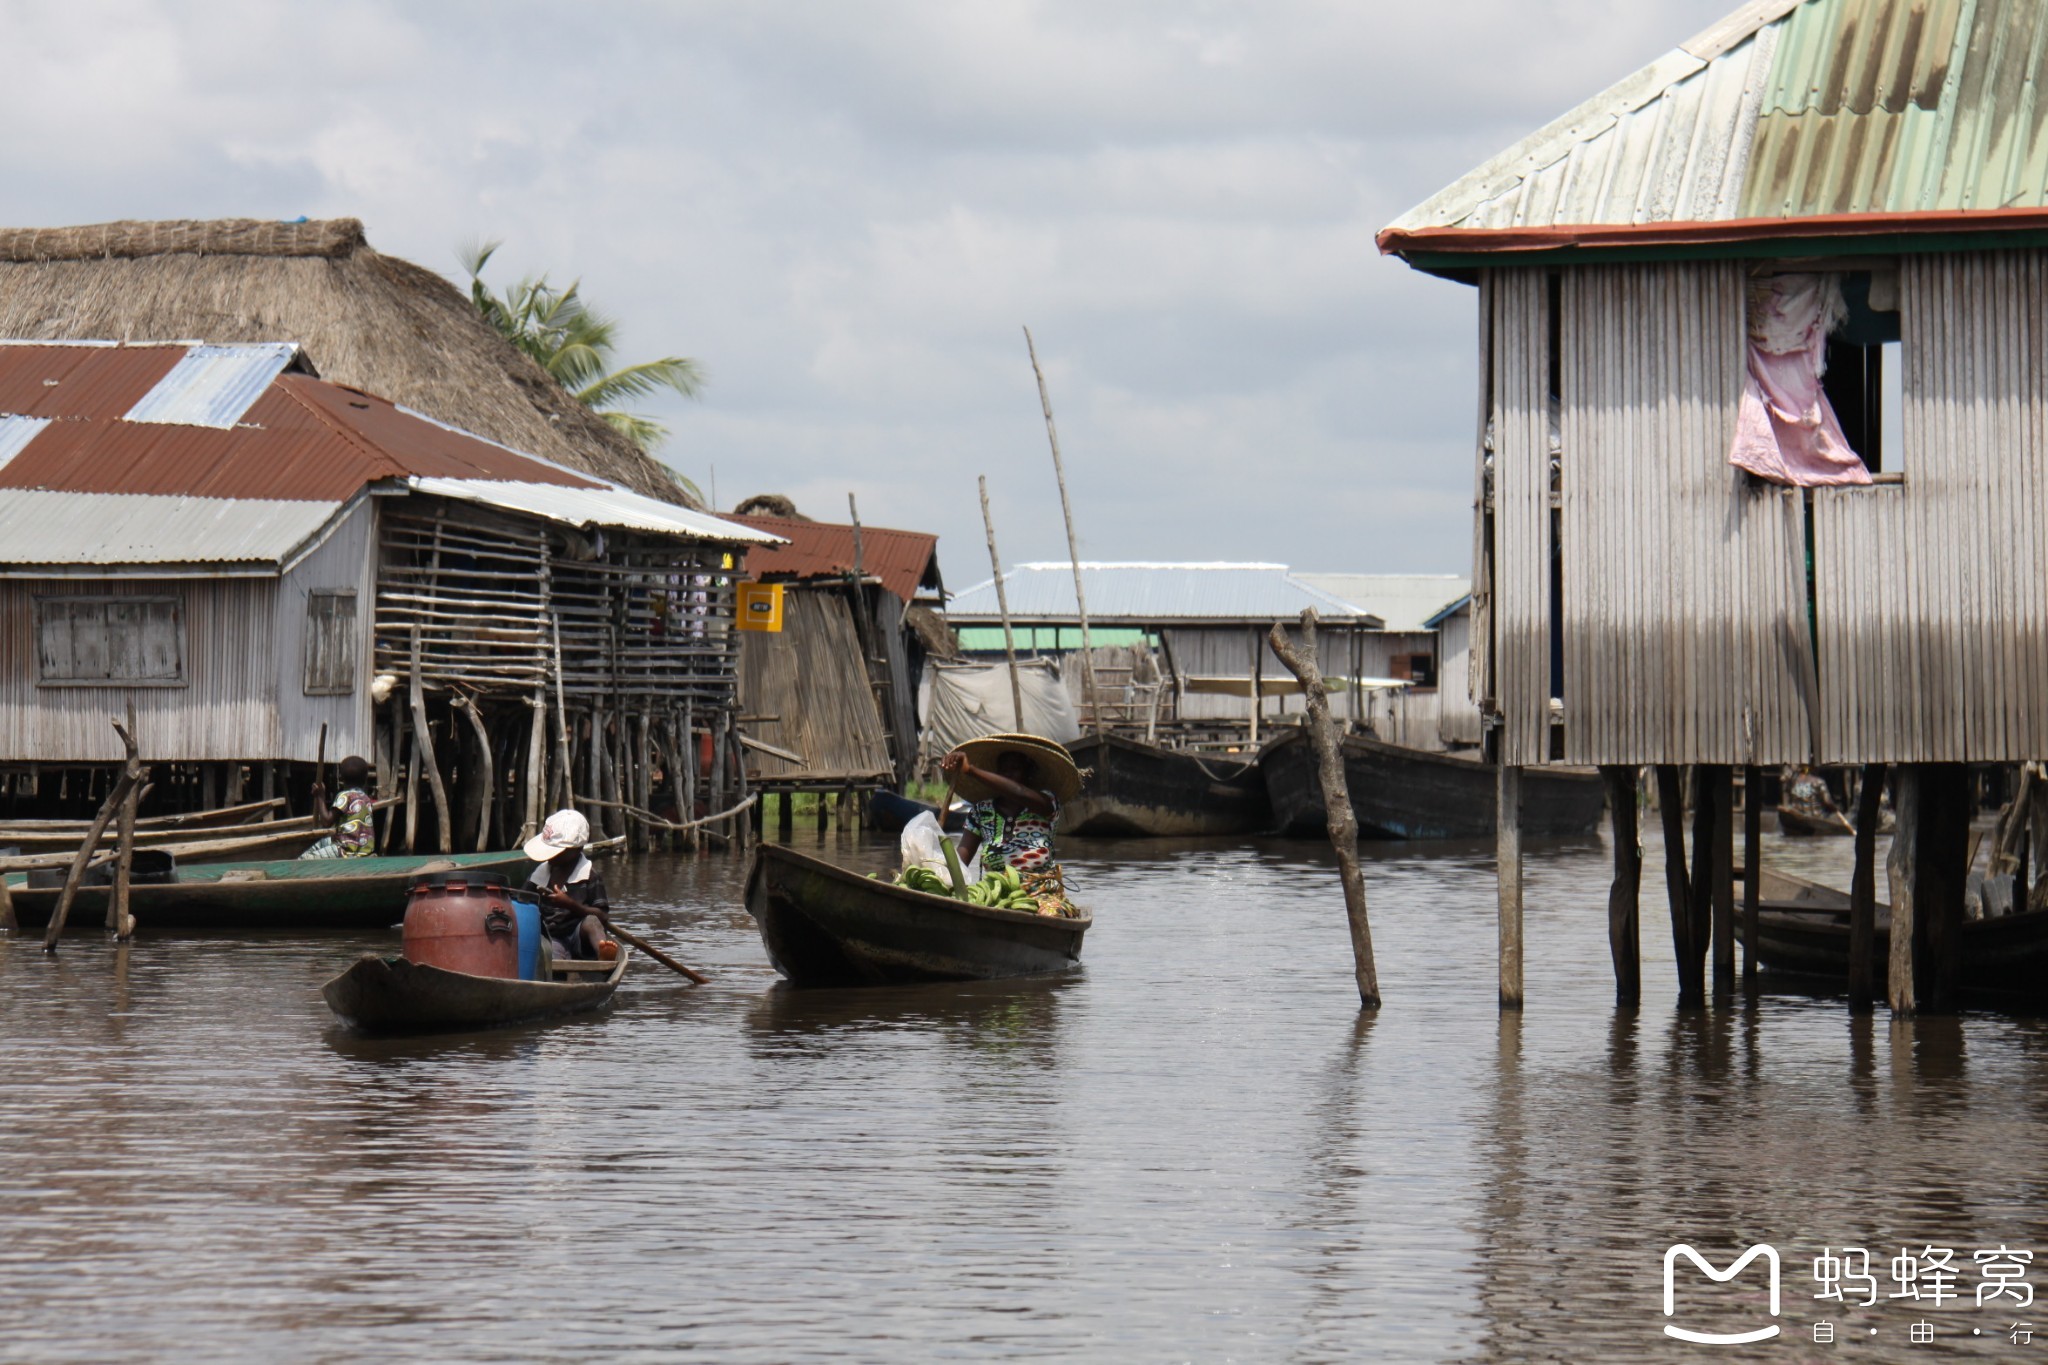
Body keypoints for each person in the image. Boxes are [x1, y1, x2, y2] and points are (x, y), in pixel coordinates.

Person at [941, 744, 1063, 875]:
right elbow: (960, 862)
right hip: (996, 891)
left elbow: (1019, 792)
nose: (1008, 775)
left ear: (1028, 773)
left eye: (1015, 769)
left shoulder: (1046, 803)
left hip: (1042, 893)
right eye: (1003, 770)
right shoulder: (982, 811)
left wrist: (970, 770)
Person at [524, 809, 618, 961]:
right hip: (552, 937)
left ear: (577, 850)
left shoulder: (590, 875)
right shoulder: (540, 874)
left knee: (592, 922)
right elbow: (522, 900)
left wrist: (571, 905)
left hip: (580, 936)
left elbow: (603, 916)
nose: (551, 856)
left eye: (557, 851)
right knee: (551, 953)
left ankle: (603, 954)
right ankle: (559, 971)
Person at [300, 756, 376, 859]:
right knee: (321, 842)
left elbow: (326, 822)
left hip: (345, 850)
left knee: (304, 858)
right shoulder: (366, 799)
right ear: (365, 779)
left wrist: (320, 797)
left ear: (340, 778)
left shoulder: (345, 796)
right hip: (364, 849)